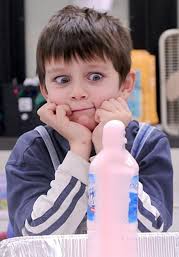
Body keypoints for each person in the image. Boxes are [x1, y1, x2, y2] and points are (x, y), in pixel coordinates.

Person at [6, 5, 173, 237]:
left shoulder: (148, 144)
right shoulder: (32, 149)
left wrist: (110, 150)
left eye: (95, 76)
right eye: (62, 79)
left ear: (125, 84)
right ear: (45, 90)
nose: (78, 92)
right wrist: (80, 148)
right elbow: (35, 238)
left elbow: (151, 233)